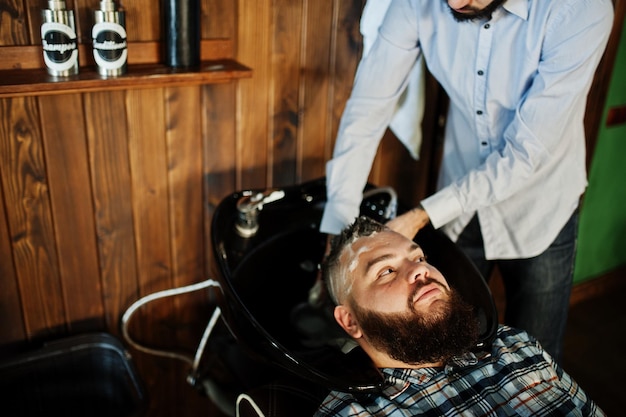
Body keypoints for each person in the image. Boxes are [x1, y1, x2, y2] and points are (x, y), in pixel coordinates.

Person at [319, 0, 614, 363]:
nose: (456, 4)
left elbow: (524, 154)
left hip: (541, 204)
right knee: (445, 345)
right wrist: (339, 221)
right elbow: (368, 105)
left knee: (538, 354)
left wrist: (419, 217)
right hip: (458, 199)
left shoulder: (580, 10)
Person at [314, 215, 605, 416]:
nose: (420, 270)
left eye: (418, 257)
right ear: (350, 321)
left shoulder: (517, 345)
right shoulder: (349, 413)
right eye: (386, 271)